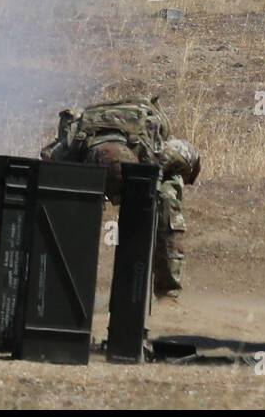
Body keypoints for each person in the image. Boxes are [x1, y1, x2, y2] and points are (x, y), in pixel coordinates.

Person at [40, 96, 200, 299]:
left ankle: (167, 291)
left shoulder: (155, 153)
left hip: (143, 142)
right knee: (64, 204)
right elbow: (47, 159)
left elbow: (192, 156)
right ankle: (67, 289)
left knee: (166, 200)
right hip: (95, 142)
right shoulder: (73, 152)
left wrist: (164, 174)